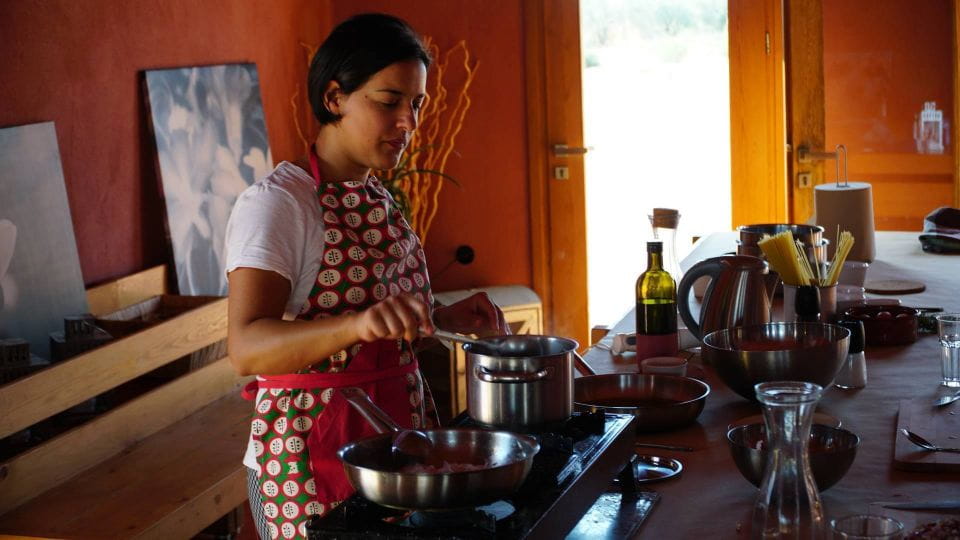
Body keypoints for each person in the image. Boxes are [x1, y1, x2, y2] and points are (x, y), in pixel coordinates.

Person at [224, 13, 509, 540]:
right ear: (334, 98)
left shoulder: (375, 193)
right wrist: (357, 326)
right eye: (388, 101)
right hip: (311, 456)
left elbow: (377, 322)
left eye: (416, 104)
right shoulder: (280, 204)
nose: (408, 122)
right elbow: (246, 348)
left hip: (394, 437)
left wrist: (440, 318)